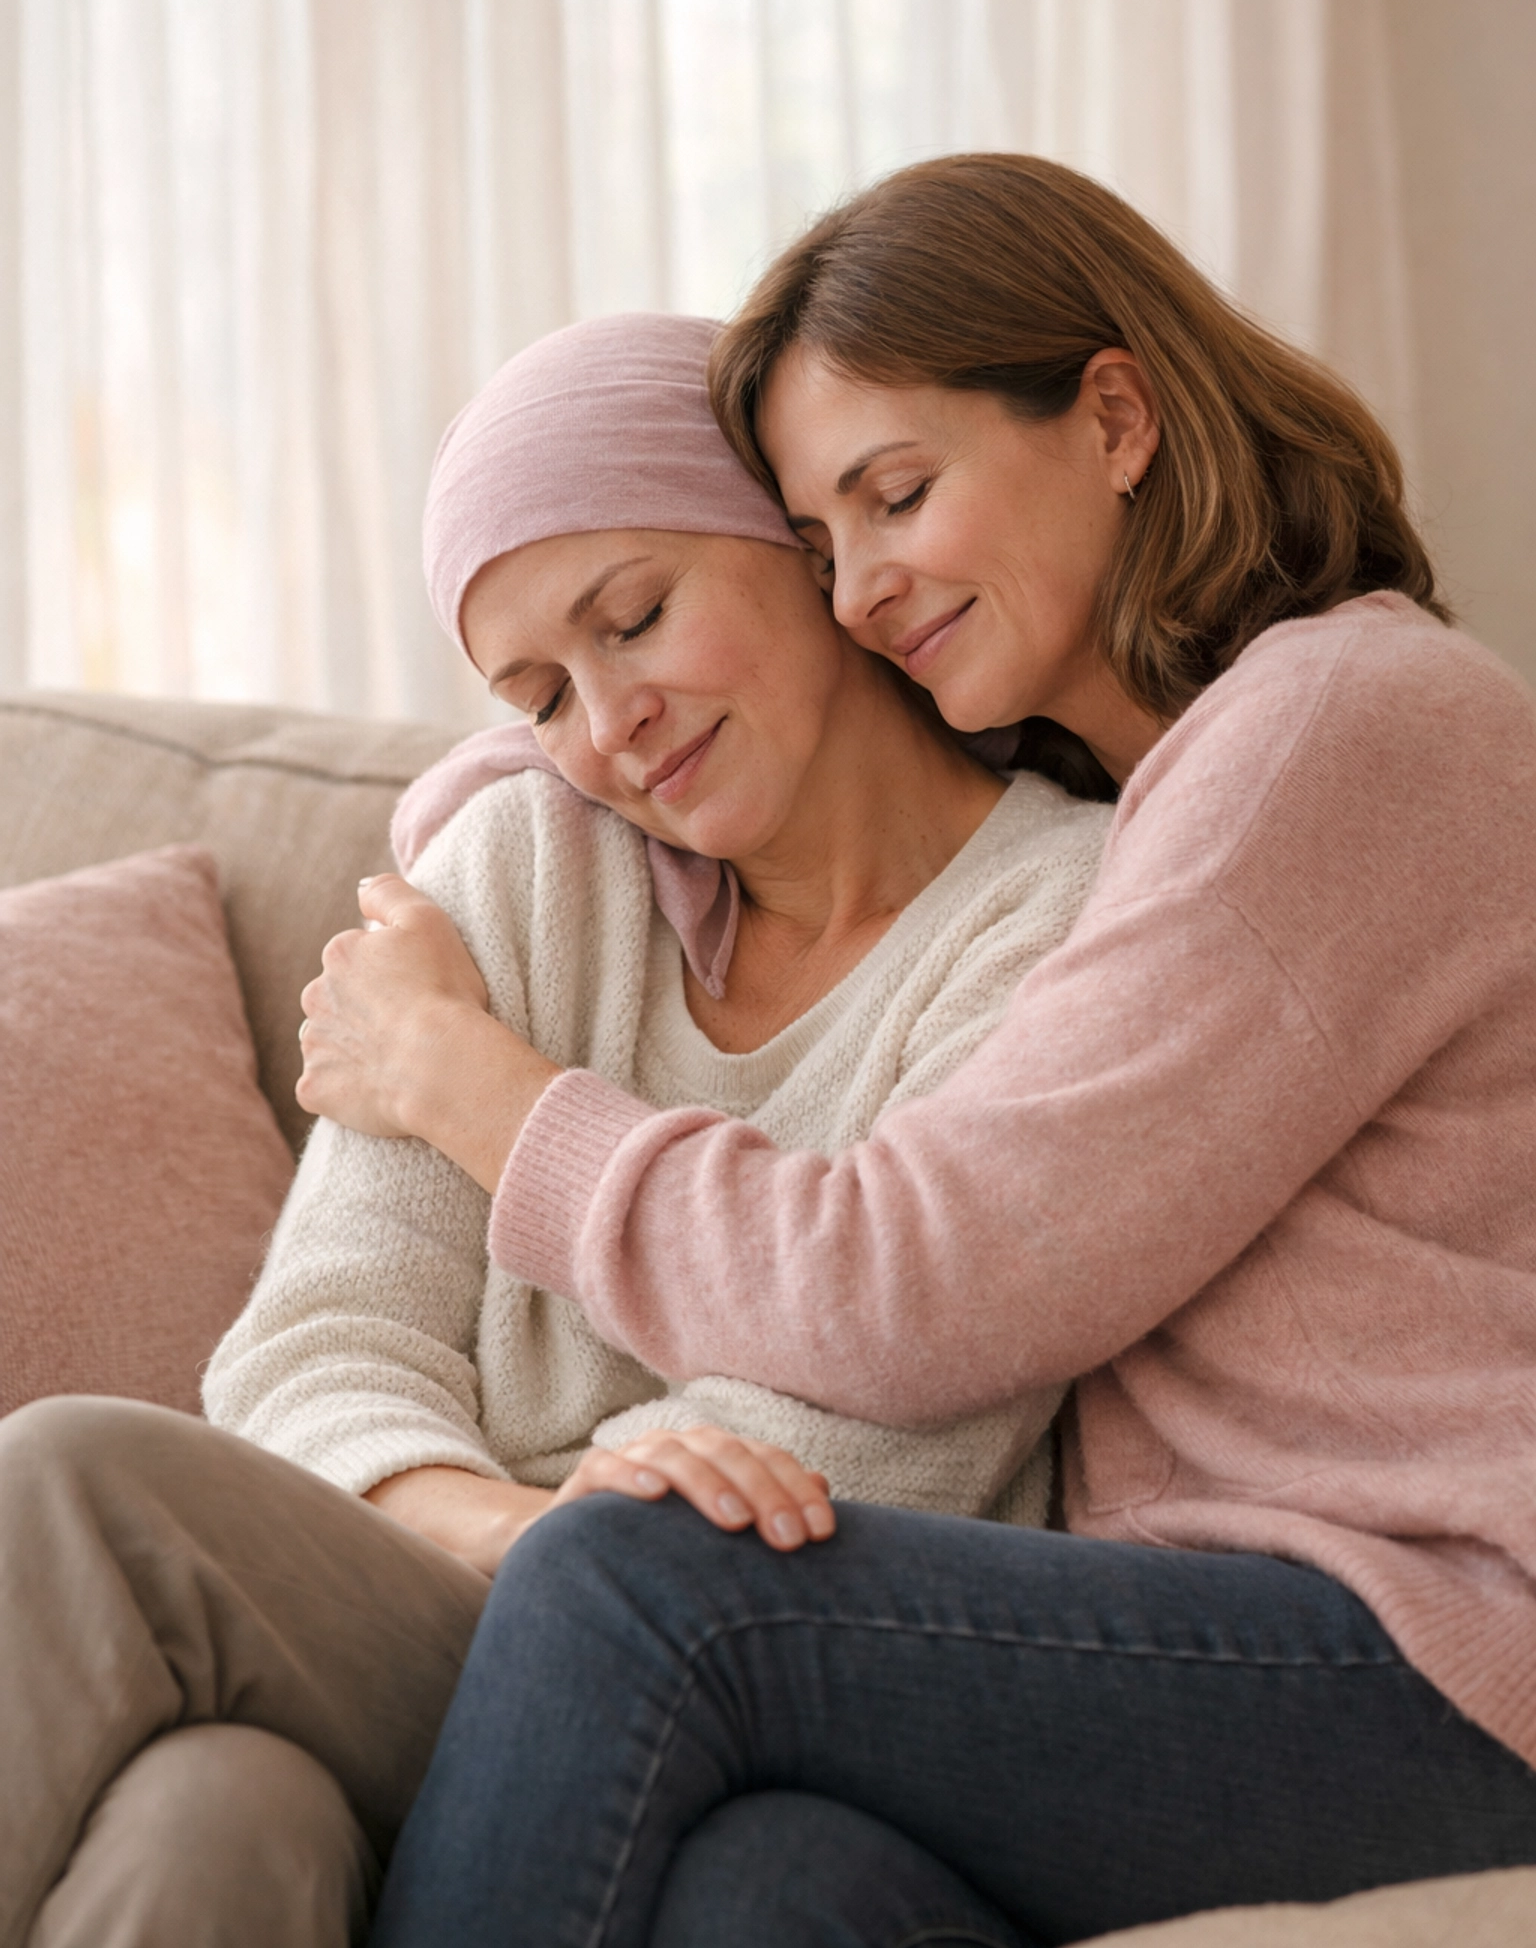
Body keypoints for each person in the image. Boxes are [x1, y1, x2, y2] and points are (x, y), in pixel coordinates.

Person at [308, 157, 1536, 1948]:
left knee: (641, 1587)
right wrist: (513, 784)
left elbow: (910, 1281)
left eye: (899, 497)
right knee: (770, 1894)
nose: (868, 589)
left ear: (1114, 416)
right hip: (1205, 1618)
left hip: (1434, 1643)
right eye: (822, 548)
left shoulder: (1331, 731)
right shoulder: (1189, 775)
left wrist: (472, 1084)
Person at [0, 312, 1111, 1948]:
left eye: (637, 617)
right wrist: (508, 1531)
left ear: (802, 549)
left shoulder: (1061, 914)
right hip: (466, 1615)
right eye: (539, 690)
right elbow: (308, 1347)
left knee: (76, 1480)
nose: (611, 724)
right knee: (215, 1813)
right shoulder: (527, 868)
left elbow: (898, 1404)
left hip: (749, 1669)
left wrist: (588, 1564)